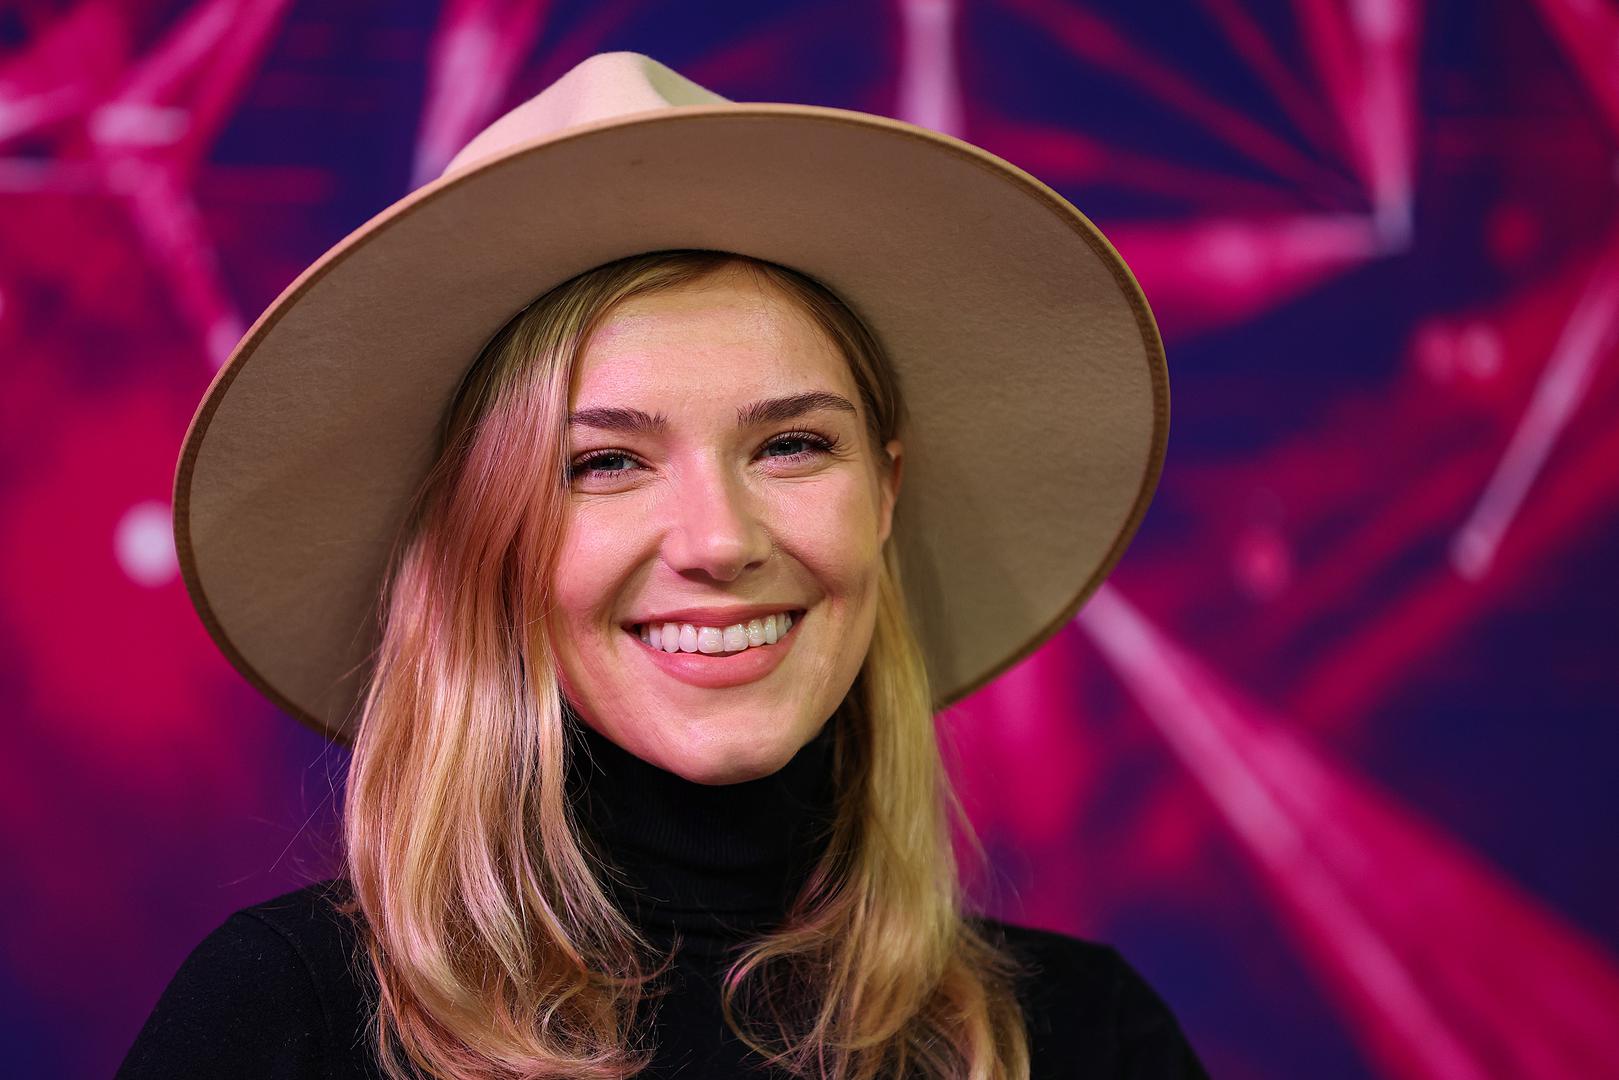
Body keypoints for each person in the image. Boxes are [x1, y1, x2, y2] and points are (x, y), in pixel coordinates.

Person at [120, 53, 1200, 1079]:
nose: (719, 541)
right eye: (604, 463)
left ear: (884, 492)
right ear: (484, 539)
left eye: (791, 445)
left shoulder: (1084, 1039)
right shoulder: (288, 1022)